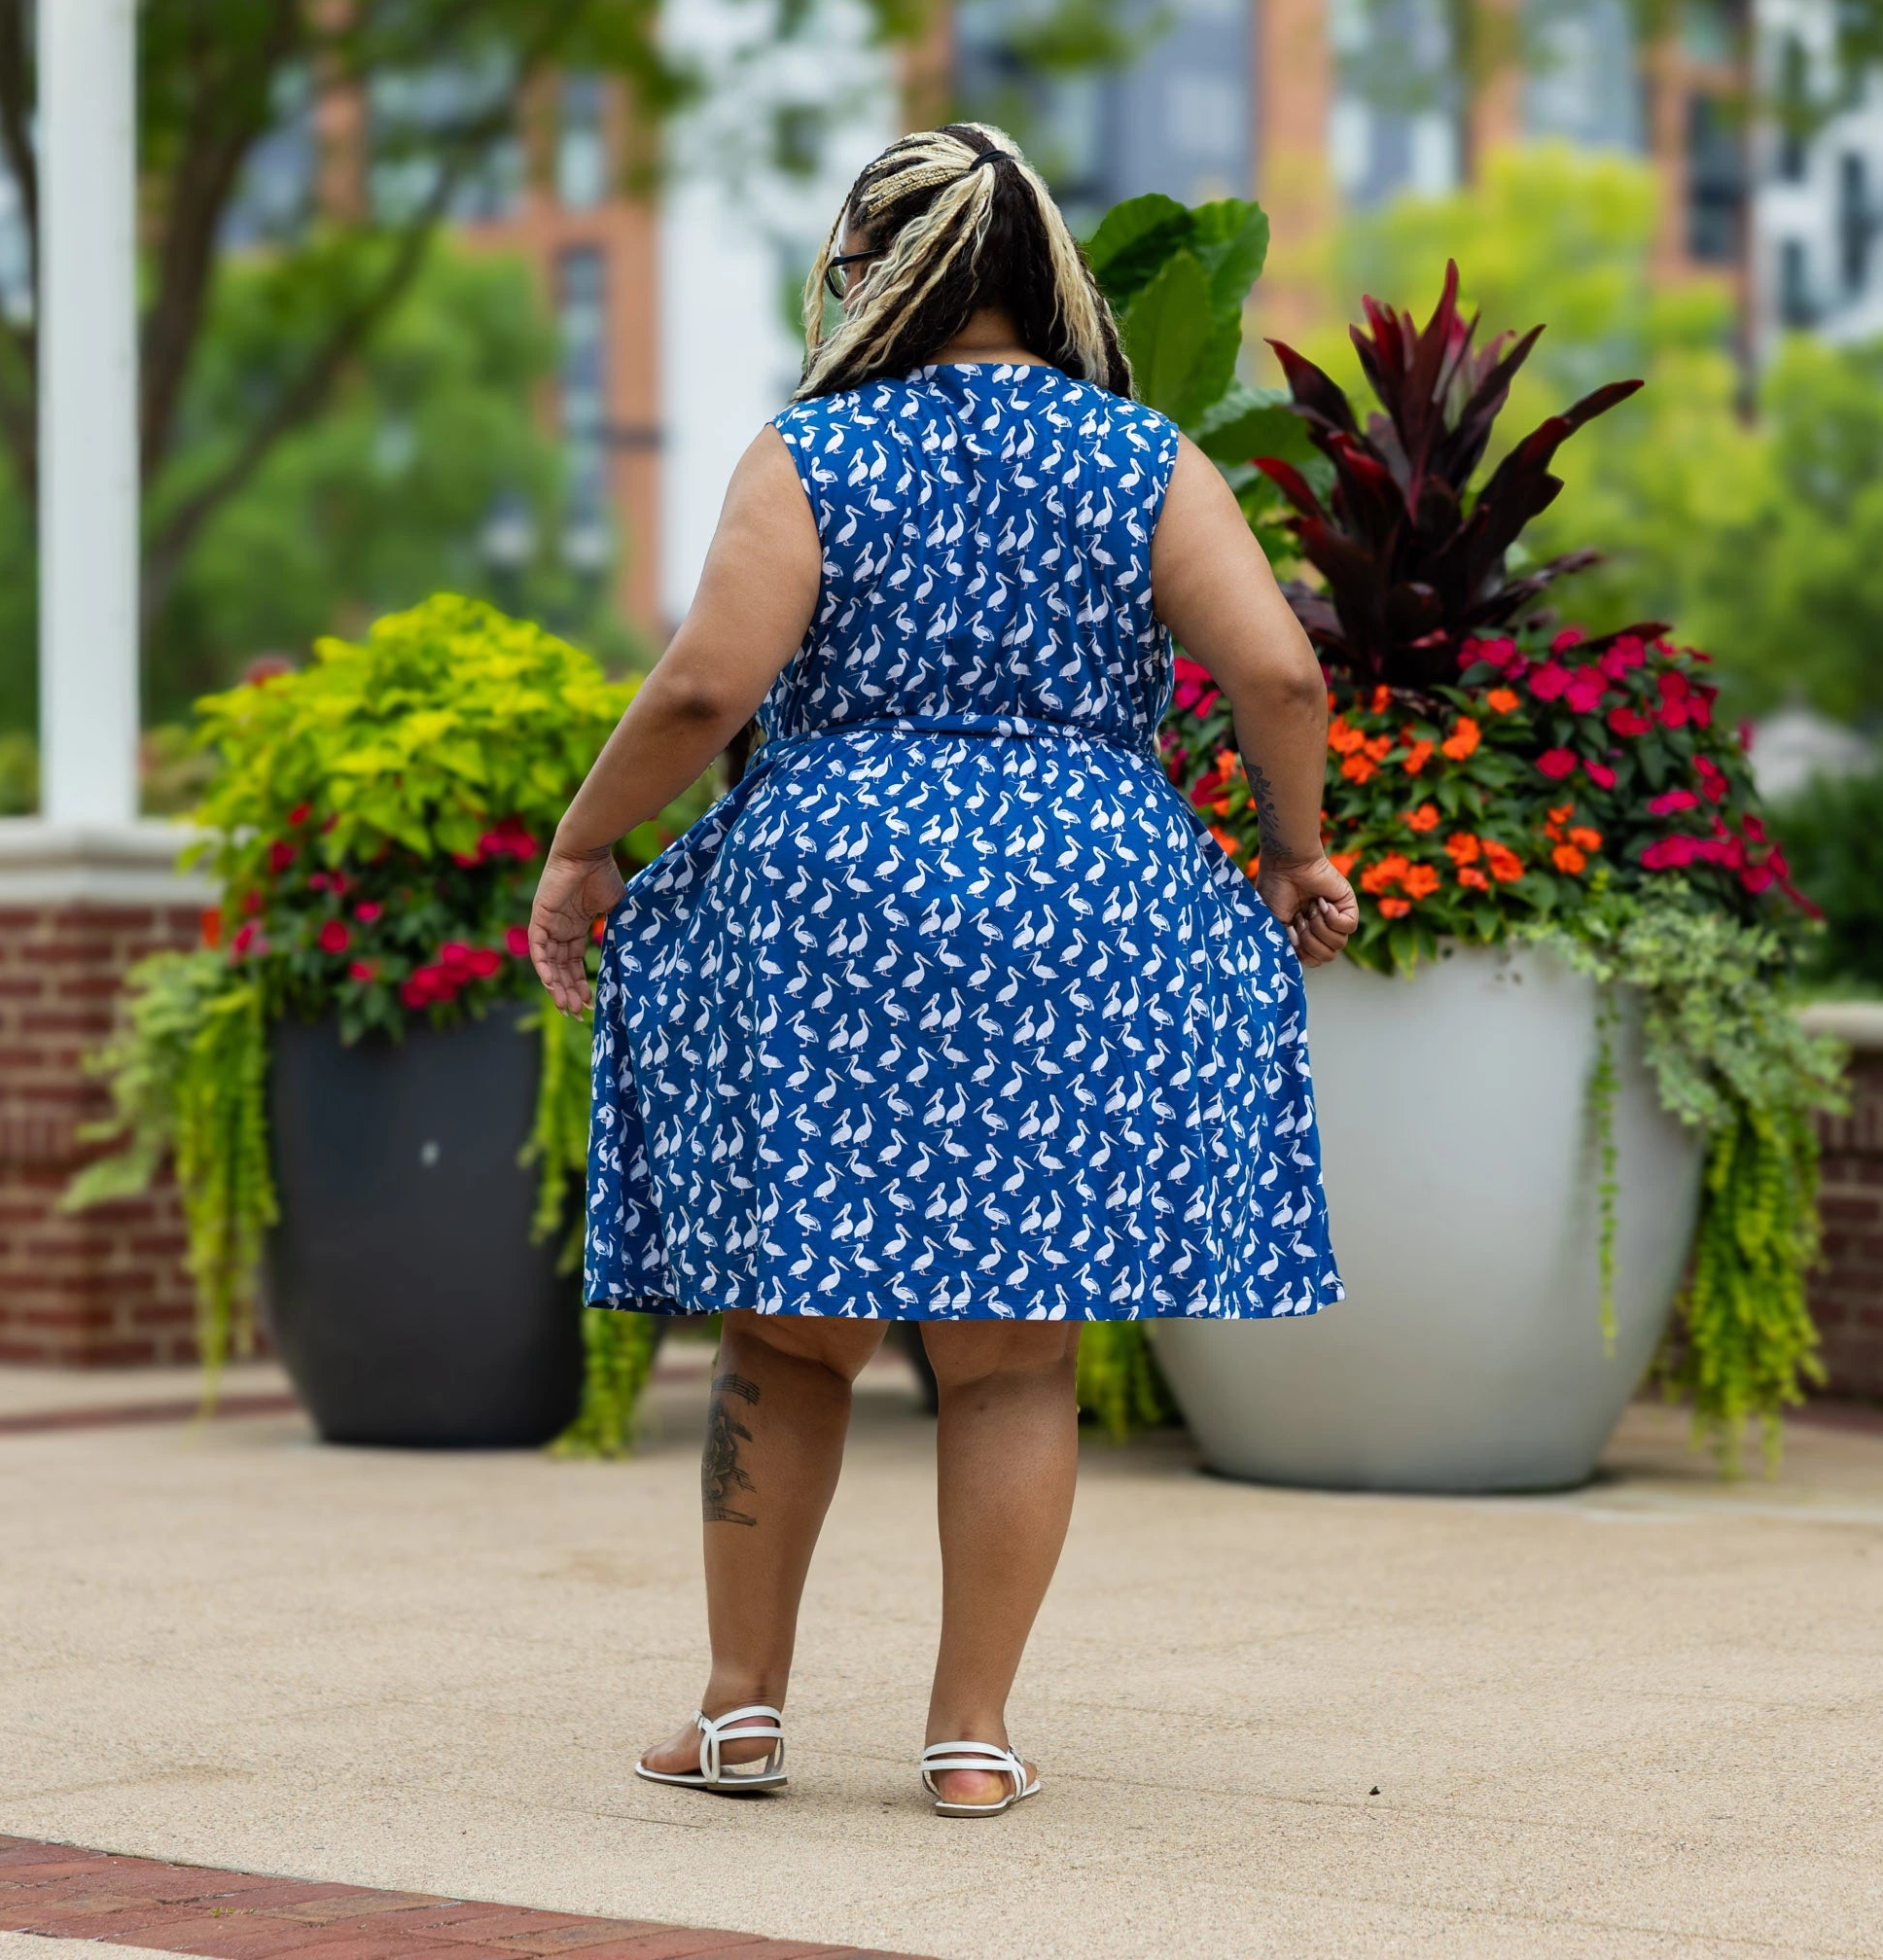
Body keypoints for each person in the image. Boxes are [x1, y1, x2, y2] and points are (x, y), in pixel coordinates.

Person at [528, 123, 1358, 1819]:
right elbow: (1277, 671)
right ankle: (970, 1739)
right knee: (1012, 1353)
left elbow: (700, 692)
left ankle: (742, 1713)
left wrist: (581, 846)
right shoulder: (1140, 454)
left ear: (868, 271)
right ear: (1040, 275)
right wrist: (1295, 850)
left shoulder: (815, 450)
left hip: (832, 910)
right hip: (1078, 908)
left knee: (786, 1337)